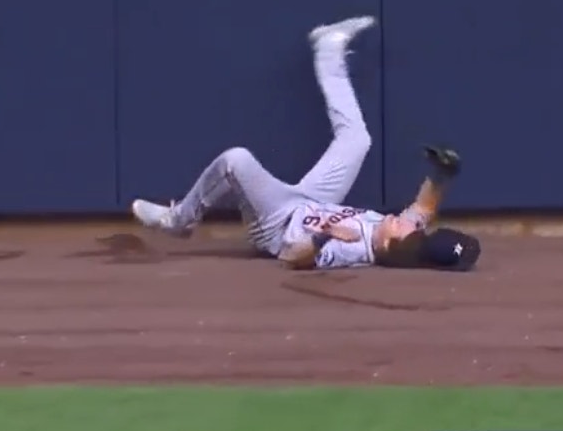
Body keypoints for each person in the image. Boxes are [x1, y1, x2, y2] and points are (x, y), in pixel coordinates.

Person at [130, 15, 480, 271]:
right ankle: (329, 50)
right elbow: (424, 209)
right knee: (358, 139)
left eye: (406, 230)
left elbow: (293, 258)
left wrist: (323, 238)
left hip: (277, 223)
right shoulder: (405, 240)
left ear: (391, 244)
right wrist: (444, 172)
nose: (410, 224)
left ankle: (178, 221)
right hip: (313, 201)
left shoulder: (353, 248)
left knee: (236, 161)